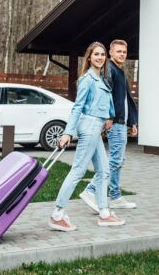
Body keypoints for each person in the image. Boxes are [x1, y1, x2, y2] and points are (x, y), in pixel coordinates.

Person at [49, 42, 125, 231]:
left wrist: (109, 116)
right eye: (96, 54)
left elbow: (106, 102)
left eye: (102, 54)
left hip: (96, 127)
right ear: (89, 57)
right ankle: (57, 214)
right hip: (89, 126)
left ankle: (104, 213)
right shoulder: (87, 79)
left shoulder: (101, 79)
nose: (100, 57)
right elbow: (77, 107)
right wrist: (68, 132)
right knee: (78, 171)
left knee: (104, 171)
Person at [79, 39, 138, 212]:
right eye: (118, 51)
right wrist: (109, 117)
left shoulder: (119, 71)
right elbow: (105, 97)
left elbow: (126, 99)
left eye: (124, 52)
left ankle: (115, 195)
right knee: (114, 160)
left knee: (118, 160)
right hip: (115, 122)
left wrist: (132, 121)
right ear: (110, 53)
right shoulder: (110, 70)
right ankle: (91, 190)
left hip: (122, 122)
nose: (122, 54)